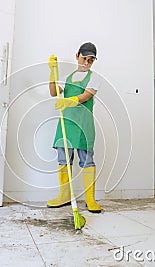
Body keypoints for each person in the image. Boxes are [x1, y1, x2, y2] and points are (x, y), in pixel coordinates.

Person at [47, 42, 102, 213]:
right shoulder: (68, 76)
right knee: (64, 160)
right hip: (66, 123)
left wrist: (70, 101)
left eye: (91, 60)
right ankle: (64, 195)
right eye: (84, 58)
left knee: (87, 160)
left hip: (83, 125)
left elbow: (87, 95)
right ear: (77, 55)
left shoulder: (95, 77)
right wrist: (52, 72)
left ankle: (90, 199)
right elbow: (54, 92)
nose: (87, 63)